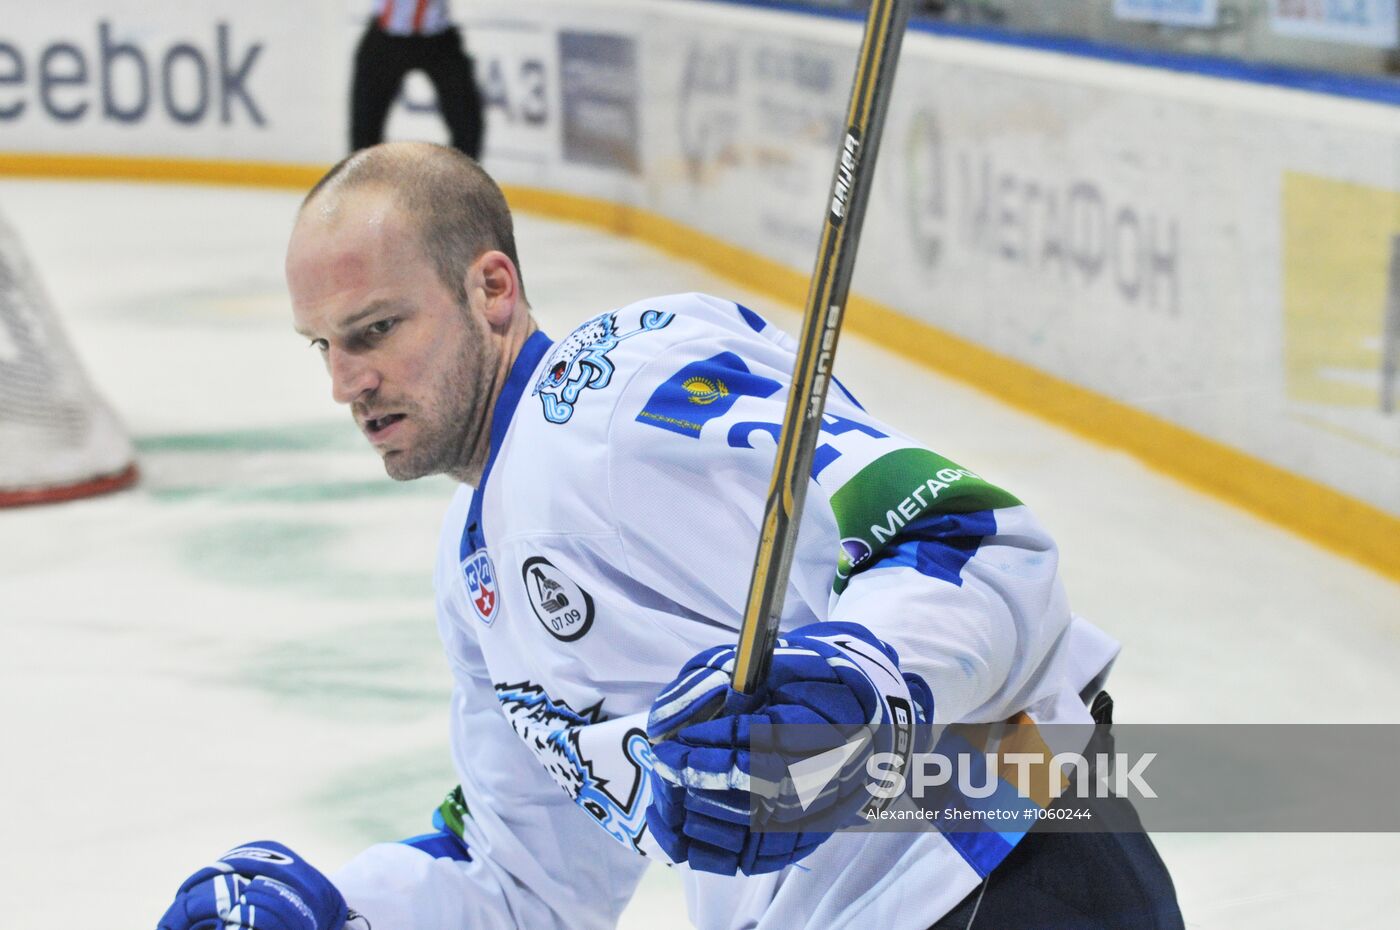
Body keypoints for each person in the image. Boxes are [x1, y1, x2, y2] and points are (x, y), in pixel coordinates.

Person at [156, 142, 1184, 929]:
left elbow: (967, 535)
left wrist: (867, 675)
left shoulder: (629, 385)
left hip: (1002, 870)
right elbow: (534, 888)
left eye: (375, 330)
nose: (345, 382)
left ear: (492, 288)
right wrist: (339, 905)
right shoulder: (472, 568)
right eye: (324, 347)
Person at [350, 0, 484, 158]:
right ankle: (367, 180)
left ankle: (459, 180)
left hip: (437, 36)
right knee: (364, 129)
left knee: (468, 122)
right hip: (386, 35)